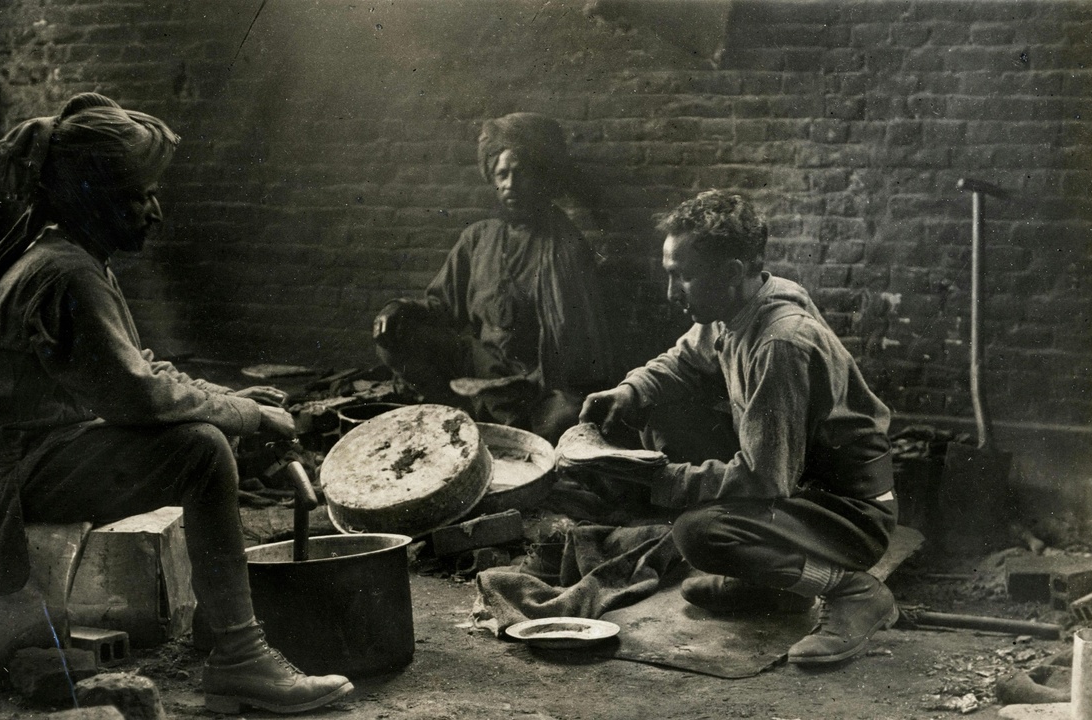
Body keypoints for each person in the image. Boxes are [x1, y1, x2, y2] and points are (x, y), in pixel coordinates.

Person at [0, 93, 353, 714]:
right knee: (200, 450)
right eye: (138, 197)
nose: (156, 212)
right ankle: (240, 658)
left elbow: (135, 369)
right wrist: (245, 416)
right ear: (92, 196)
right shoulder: (67, 274)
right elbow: (139, 397)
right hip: (8, 477)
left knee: (204, 431)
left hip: (25, 452)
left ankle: (226, 635)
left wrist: (225, 397)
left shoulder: (66, 257)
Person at [579, 190, 898, 665]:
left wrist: (661, 479)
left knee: (701, 533)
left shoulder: (779, 343)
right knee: (658, 409)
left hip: (849, 511)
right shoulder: (738, 306)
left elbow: (766, 478)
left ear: (731, 273)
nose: (672, 294)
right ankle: (777, 585)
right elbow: (684, 359)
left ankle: (852, 591)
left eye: (683, 278)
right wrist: (631, 391)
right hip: (803, 487)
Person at [372, 112, 613, 442]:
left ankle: (497, 423)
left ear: (542, 177)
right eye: (502, 174)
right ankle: (456, 411)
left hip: (534, 381)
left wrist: (536, 382)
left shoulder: (565, 247)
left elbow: (578, 346)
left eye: (521, 174)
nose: (510, 185)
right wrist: (398, 309)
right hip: (477, 365)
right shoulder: (478, 238)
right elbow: (441, 307)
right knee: (400, 333)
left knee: (566, 420)